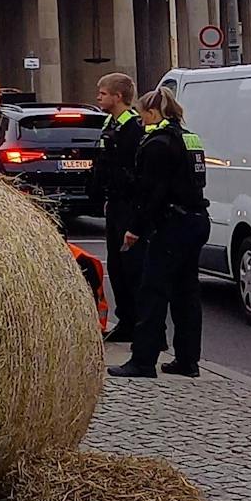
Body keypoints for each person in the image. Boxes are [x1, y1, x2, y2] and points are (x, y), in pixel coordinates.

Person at [110, 88, 210, 380]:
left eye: (143, 115)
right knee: (186, 292)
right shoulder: (189, 137)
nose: (141, 120)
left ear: (153, 113)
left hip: (172, 224)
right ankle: (188, 360)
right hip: (196, 220)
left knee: (152, 292)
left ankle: (143, 361)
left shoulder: (158, 144)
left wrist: (135, 229)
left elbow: (152, 194)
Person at [89, 73, 147, 344]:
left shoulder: (133, 127)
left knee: (131, 266)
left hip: (128, 204)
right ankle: (125, 320)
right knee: (116, 264)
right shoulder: (110, 124)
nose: (98, 97)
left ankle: (139, 322)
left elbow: (135, 172)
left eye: (102, 93)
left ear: (118, 96)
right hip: (113, 203)